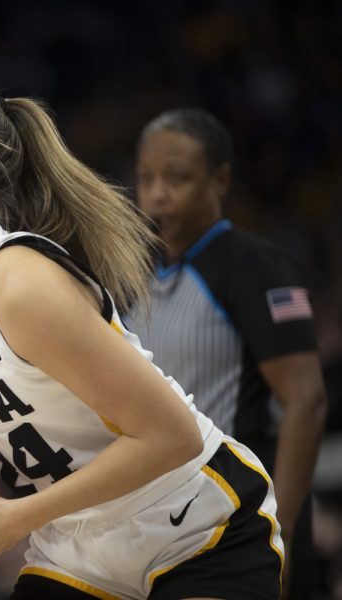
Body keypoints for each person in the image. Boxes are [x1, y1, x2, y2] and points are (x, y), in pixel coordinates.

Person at [0, 79, 284, 599]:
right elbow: (3, 378)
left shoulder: (20, 285)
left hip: (196, 526)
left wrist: (17, 516)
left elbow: (171, 436)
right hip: (76, 549)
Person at [128, 108, 328, 598]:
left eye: (177, 177)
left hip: (242, 520)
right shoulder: (134, 275)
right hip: (163, 524)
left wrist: (275, 528)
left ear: (220, 180)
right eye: (146, 178)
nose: (157, 193)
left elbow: (306, 401)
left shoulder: (257, 266)